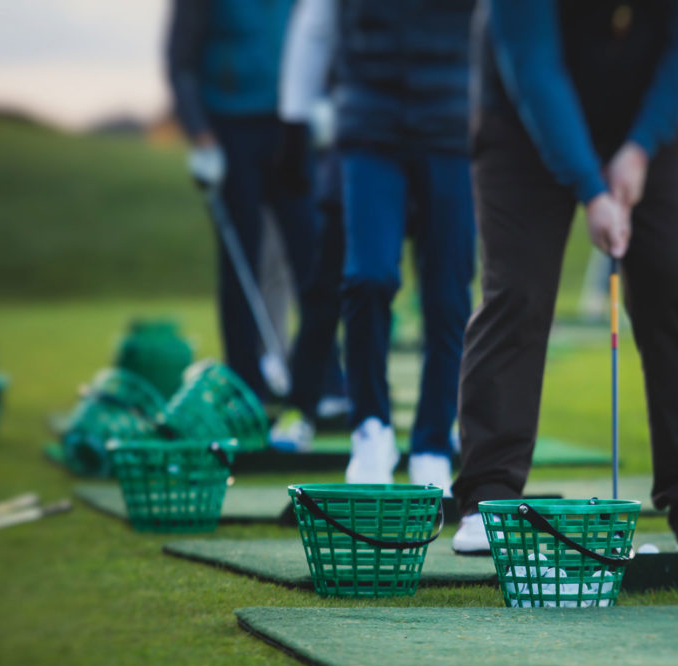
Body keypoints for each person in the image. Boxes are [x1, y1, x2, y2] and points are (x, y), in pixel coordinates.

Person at [451, 0, 678, 552]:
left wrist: (639, 150)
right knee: (517, 295)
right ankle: (487, 499)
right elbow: (535, 70)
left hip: (643, 120)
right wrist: (591, 189)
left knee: (673, 291)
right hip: (520, 123)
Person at [282, 0, 477, 493]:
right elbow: (315, 26)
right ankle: (371, 427)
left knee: (448, 292)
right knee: (368, 277)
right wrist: (294, 119)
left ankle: (433, 440)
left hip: (453, 129)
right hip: (369, 126)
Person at [165, 0, 346, 448]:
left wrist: (324, 101)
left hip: (291, 124)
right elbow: (180, 59)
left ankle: (326, 381)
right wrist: (199, 135)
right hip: (228, 127)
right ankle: (246, 387)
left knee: (313, 256)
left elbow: (323, 42)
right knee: (239, 259)